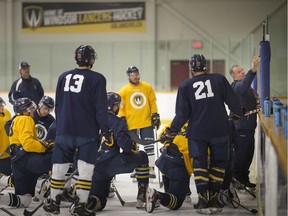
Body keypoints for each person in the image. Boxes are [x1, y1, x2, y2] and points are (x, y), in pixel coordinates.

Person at [159, 54, 243, 214]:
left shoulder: (185, 86)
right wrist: (234, 119)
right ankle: (215, 199)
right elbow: (235, 105)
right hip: (219, 130)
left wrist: (170, 132)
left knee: (200, 165)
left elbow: (182, 115)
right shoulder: (219, 79)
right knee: (219, 164)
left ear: (191, 69)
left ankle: (203, 200)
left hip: (197, 133)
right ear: (206, 66)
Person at [43, 45, 111, 216]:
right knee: (85, 170)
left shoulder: (63, 76)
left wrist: (62, 127)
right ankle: (80, 206)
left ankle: (53, 203)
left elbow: (58, 106)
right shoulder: (98, 79)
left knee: (59, 167)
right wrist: (106, 132)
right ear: (92, 59)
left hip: (63, 130)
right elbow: (100, 109)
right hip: (87, 132)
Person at [87, 92, 150, 212]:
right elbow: (125, 146)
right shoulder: (117, 122)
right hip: (111, 164)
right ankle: (142, 196)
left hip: (93, 167)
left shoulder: (91, 119)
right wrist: (132, 146)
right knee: (142, 156)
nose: (118, 108)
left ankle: (89, 200)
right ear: (111, 106)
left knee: (99, 201)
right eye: (116, 105)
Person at [0, 97, 53, 208]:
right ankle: (51, 187)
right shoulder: (26, 119)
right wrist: (45, 147)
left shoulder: (16, 119)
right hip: (26, 160)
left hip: (17, 162)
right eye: (30, 108)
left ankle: (2, 198)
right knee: (57, 157)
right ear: (24, 110)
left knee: (25, 200)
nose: (33, 109)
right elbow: (28, 144)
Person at [118, 66, 160, 180]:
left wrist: (155, 114)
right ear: (128, 76)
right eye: (132, 74)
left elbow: (152, 102)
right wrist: (122, 118)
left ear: (138, 74)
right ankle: (135, 168)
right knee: (133, 148)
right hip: (131, 123)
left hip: (146, 121)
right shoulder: (124, 90)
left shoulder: (147, 87)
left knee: (149, 145)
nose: (134, 76)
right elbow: (121, 107)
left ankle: (150, 167)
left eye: (136, 74)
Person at [145, 122, 193, 213]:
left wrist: (167, 138)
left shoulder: (179, 122)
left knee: (169, 196)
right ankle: (157, 195)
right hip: (178, 168)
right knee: (176, 203)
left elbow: (161, 136)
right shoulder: (203, 128)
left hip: (164, 163)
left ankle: (162, 198)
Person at [229, 56, 260, 189]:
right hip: (241, 128)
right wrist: (253, 69)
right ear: (234, 77)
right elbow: (245, 84)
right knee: (241, 156)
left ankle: (243, 178)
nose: (242, 72)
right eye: (239, 72)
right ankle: (237, 179)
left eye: (242, 70)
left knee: (248, 154)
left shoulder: (245, 88)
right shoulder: (237, 86)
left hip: (248, 127)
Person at [0, 97, 13, 191]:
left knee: (9, 178)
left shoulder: (7, 112)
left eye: (2, 104)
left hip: (7, 153)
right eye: (0, 105)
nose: (2, 106)